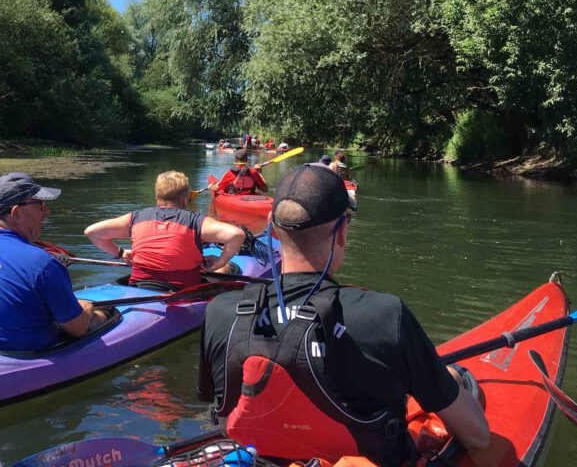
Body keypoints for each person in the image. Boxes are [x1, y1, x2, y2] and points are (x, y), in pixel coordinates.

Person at [198, 166, 489, 466]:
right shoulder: (385, 315)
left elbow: (217, 405)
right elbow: (478, 437)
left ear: (271, 226)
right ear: (341, 231)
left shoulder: (221, 312)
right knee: (459, 378)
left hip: (263, 457)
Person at [0, 172, 107, 352]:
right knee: (99, 317)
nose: (47, 211)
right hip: (20, 358)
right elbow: (78, 329)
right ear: (15, 213)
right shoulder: (43, 263)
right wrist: (87, 309)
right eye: (40, 205)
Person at [84, 171, 246, 289]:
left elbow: (92, 232)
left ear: (157, 197)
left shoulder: (135, 218)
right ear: (184, 199)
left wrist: (120, 253)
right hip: (182, 291)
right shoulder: (196, 222)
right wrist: (220, 261)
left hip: (140, 286)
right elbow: (236, 235)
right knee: (225, 269)